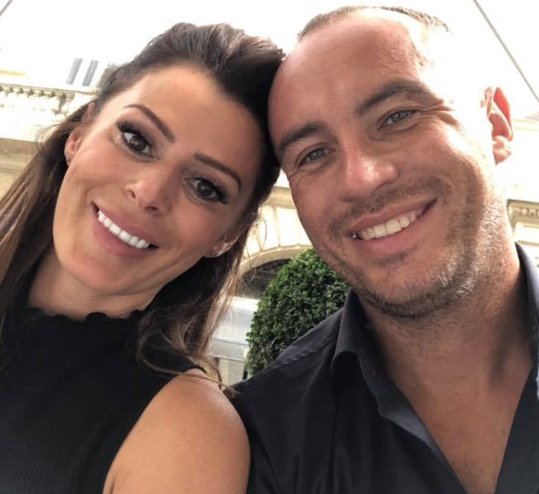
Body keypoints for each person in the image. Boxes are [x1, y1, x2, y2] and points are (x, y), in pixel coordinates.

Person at [233, 6, 538, 494]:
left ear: (496, 124)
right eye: (314, 154)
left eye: (398, 117)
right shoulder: (264, 440)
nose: (361, 178)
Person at [0, 22, 283, 493]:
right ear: (79, 134)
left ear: (229, 234)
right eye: (136, 139)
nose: (149, 193)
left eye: (205, 186)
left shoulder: (185, 432)